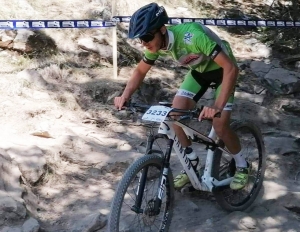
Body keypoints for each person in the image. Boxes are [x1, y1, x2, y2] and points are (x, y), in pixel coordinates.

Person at [114, 2, 250, 190]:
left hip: (223, 72)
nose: (144, 43)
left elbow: (230, 68)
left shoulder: (192, 36)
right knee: (173, 114)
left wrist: (217, 107)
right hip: (200, 72)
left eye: (146, 37)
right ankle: (191, 162)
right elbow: (140, 71)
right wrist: (125, 95)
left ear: (162, 29)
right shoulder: (157, 43)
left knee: (219, 124)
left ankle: (242, 165)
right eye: (140, 40)